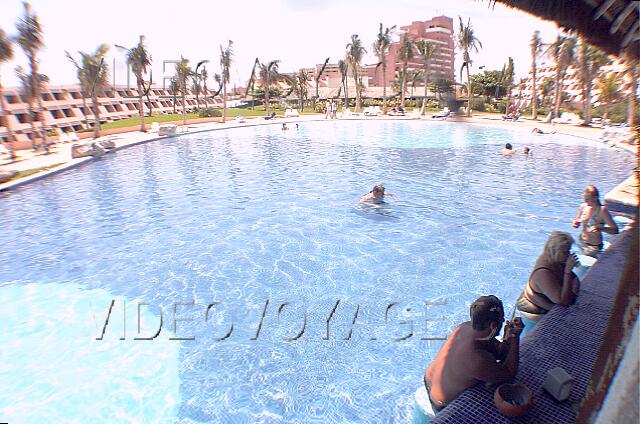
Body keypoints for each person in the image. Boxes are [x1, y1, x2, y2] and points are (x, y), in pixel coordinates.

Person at [424, 296, 523, 413]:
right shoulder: (476, 360)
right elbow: (509, 374)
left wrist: (508, 337)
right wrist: (515, 338)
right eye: (501, 320)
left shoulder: (465, 327)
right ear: (493, 326)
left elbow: (498, 353)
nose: (503, 323)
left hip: (430, 379)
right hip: (442, 403)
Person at [516, 231, 580, 334]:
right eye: (566, 251)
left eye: (569, 251)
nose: (569, 254)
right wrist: (568, 272)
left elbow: (575, 282)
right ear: (556, 251)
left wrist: (570, 274)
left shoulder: (555, 259)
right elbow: (564, 301)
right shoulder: (543, 273)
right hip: (533, 309)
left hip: (545, 299)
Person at [572, 185, 619, 257]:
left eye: (588, 199)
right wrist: (575, 223)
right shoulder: (583, 207)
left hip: (594, 247)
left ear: (595, 198)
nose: (585, 201)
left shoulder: (602, 211)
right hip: (581, 242)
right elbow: (576, 221)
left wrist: (601, 228)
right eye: (584, 198)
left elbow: (615, 230)